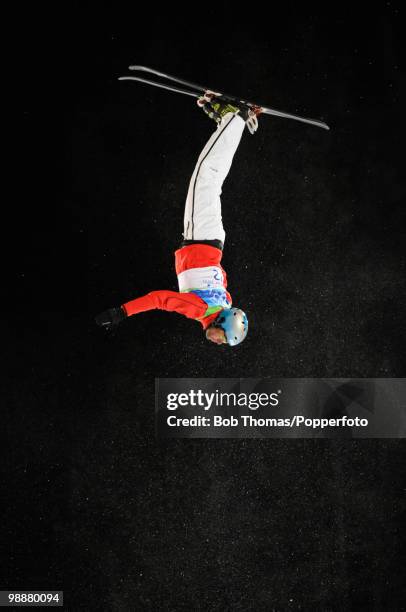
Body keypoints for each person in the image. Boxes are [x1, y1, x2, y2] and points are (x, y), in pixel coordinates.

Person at [95, 93, 261, 346]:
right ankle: (236, 117)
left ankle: (226, 121)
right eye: (224, 338)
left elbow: (221, 278)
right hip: (201, 236)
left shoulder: (222, 303)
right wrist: (122, 312)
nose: (219, 343)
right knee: (206, 175)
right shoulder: (201, 309)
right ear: (223, 323)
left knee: (208, 178)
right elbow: (159, 299)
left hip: (210, 240)